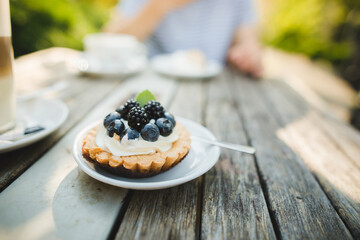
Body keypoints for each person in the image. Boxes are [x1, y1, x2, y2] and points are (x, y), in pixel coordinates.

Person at [103, 0, 263, 78]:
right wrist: (159, 6)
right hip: (153, 85)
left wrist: (249, 56)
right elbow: (108, 40)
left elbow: (248, 43)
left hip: (215, 89)